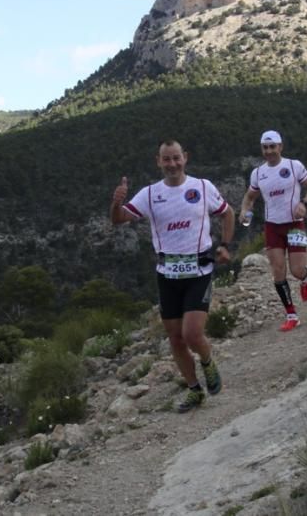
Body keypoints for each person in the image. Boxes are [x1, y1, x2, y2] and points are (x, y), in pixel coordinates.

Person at [110, 139, 236, 413]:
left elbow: (228, 214)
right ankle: (194, 390)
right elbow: (118, 219)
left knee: (191, 334)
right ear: (158, 161)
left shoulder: (202, 187)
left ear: (185, 158)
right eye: (166, 159)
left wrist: (225, 245)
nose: (172, 164)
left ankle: (207, 361)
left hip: (199, 270)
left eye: (176, 158)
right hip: (167, 274)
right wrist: (116, 204)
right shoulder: (150, 193)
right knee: (175, 339)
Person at [240, 130, 307, 332]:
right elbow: (250, 197)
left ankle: (305, 278)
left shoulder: (294, 166)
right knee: (278, 271)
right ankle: (291, 315)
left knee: (296, 270)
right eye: (265, 148)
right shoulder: (258, 173)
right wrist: (244, 211)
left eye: (272, 147)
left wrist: (304, 203)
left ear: (280, 147)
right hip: (272, 226)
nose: (269, 151)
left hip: (295, 224)